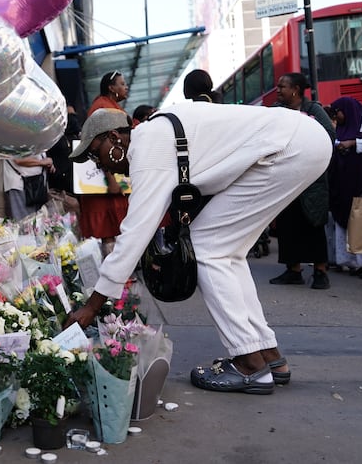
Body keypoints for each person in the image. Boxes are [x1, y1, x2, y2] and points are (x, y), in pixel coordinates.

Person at [64, 103, 332, 394]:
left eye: (95, 153)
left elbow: (135, 233)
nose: (99, 164)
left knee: (206, 248)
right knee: (225, 250)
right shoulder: (154, 134)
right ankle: (267, 354)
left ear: (115, 137)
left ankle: (250, 364)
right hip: (299, 142)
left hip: (290, 148)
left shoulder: (147, 146)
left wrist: (92, 305)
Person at [269, 73, 335, 289]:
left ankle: (320, 272)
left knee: (313, 223)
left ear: (296, 89)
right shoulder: (277, 112)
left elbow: (328, 135)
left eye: (282, 87)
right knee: (289, 224)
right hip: (287, 177)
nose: (278, 90)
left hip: (311, 178)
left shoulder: (313, 110)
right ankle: (293, 270)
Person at [78, 71, 131, 253]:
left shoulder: (112, 106)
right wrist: (111, 180)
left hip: (116, 174)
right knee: (109, 229)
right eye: (122, 84)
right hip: (107, 180)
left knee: (117, 227)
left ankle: (121, 275)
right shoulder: (101, 107)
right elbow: (99, 144)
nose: (126, 87)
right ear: (111, 88)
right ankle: (115, 275)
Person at [327, 97, 362, 277]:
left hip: (358, 185)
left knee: (361, 220)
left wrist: (352, 143)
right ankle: (350, 261)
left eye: (339, 111)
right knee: (346, 220)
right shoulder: (340, 131)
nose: (337, 116)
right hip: (343, 187)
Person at [46, 105, 82, 215]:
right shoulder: (53, 138)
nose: (73, 119)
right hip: (60, 188)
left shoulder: (78, 139)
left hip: (77, 186)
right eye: (70, 116)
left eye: (74, 116)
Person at [2, 154, 54, 220]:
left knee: (39, 221)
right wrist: (42, 162)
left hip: (37, 184)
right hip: (21, 185)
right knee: (24, 222)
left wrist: (47, 164)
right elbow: (18, 160)